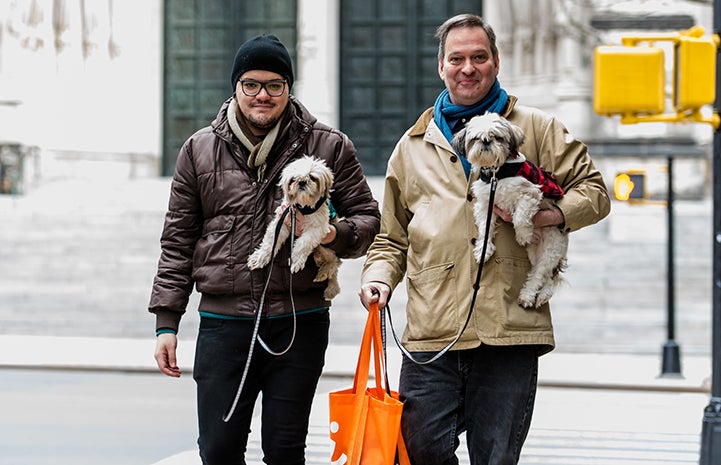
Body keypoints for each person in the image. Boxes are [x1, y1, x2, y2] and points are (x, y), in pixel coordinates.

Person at [359, 14, 610, 465]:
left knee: (496, 457)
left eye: (479, 57)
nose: (468, 68)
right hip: (432, 330)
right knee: (421, 451)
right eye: (457, 58)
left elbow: (595, 193)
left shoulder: (536, 128)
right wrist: (378, 278)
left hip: (509, 327)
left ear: (496, 61)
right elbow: (390, 238)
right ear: (441, 67)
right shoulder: (412, 145)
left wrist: (549, 214)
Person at [149, 33, 380, 465]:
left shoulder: (328, 144)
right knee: (217, 451)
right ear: (236, 87)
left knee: (285, 450)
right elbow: (177, 241)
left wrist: (331, 234)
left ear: (288, 88)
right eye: (251, 84)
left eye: (275, 85)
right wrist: (167, 322)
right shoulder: (198, 149)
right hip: (224, 323)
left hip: (299, 321)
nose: (262, 95)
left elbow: (369, 220)